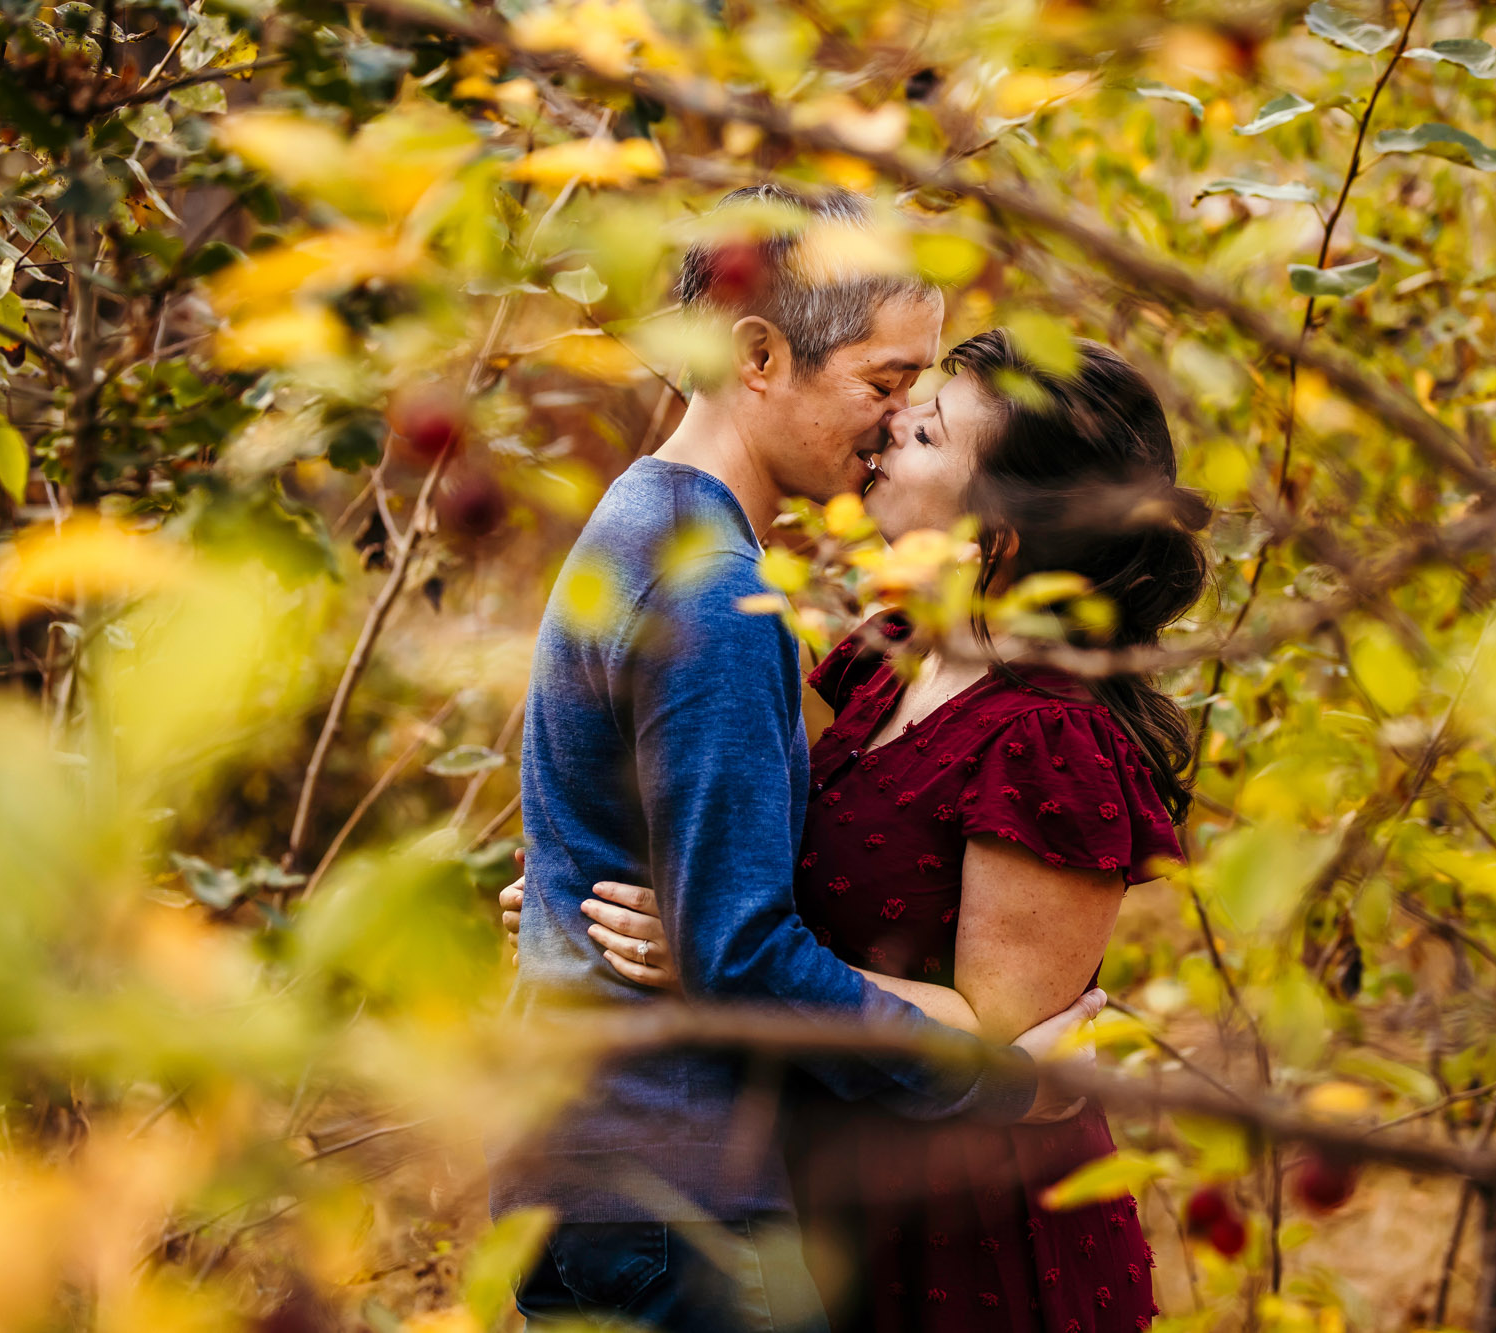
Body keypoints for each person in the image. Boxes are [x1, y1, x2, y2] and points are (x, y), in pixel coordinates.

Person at [507, 329, 1212, 1331]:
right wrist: (574, 895)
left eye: (923, 431)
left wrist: (715, 956)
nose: (884, 432)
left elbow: (1004, 1042)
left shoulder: (1049, 737)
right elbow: (741, 837)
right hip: (815, 1179)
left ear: (995, 528)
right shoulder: (882, 653)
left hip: (967, 1227)